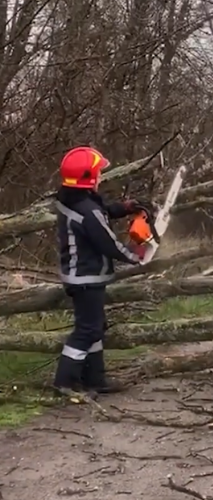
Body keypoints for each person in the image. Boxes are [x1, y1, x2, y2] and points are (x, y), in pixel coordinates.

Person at [53, 146, 152, 400]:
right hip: (85, 277)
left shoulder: (74, 200)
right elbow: (108, 243)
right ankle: (65, 382)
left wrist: (125, 207)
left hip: (83, 275)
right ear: (87, 178)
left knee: (95, 328)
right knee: (87, 330)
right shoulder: (88, 212)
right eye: (97, 173)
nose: (100, 177)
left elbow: (102, 210)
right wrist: (136, 254)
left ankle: (95, 380)